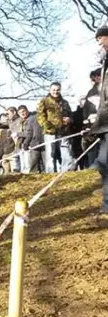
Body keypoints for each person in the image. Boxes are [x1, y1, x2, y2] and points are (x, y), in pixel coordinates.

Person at [90, 26, 108, 222]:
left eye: (100, 39)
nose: (99, 44)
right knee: (103, 164)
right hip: (105, 121)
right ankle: (106, 206)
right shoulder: (104, 63)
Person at [37, 82, 73, 172]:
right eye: (53, 90)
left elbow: (71, 115)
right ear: (50, 90)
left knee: (66, 153)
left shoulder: (65, 102)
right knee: (50, 154)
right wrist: (48, 126)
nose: (55, 92)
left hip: (64, 131)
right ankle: (50, 173)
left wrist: (69, 119)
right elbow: (40, 116)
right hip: (50, 132)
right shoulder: (44, 101)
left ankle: (66, 172)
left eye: (58, 90)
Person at [20, 105, 45, 173]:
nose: (22, 113)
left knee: (46, 165)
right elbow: (29, 133)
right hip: (34, 144)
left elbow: (29, 133)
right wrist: (26, 143)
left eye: (23, 111)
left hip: (44, 144)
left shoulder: (45, 118)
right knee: (33, 166)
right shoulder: (30, 119)